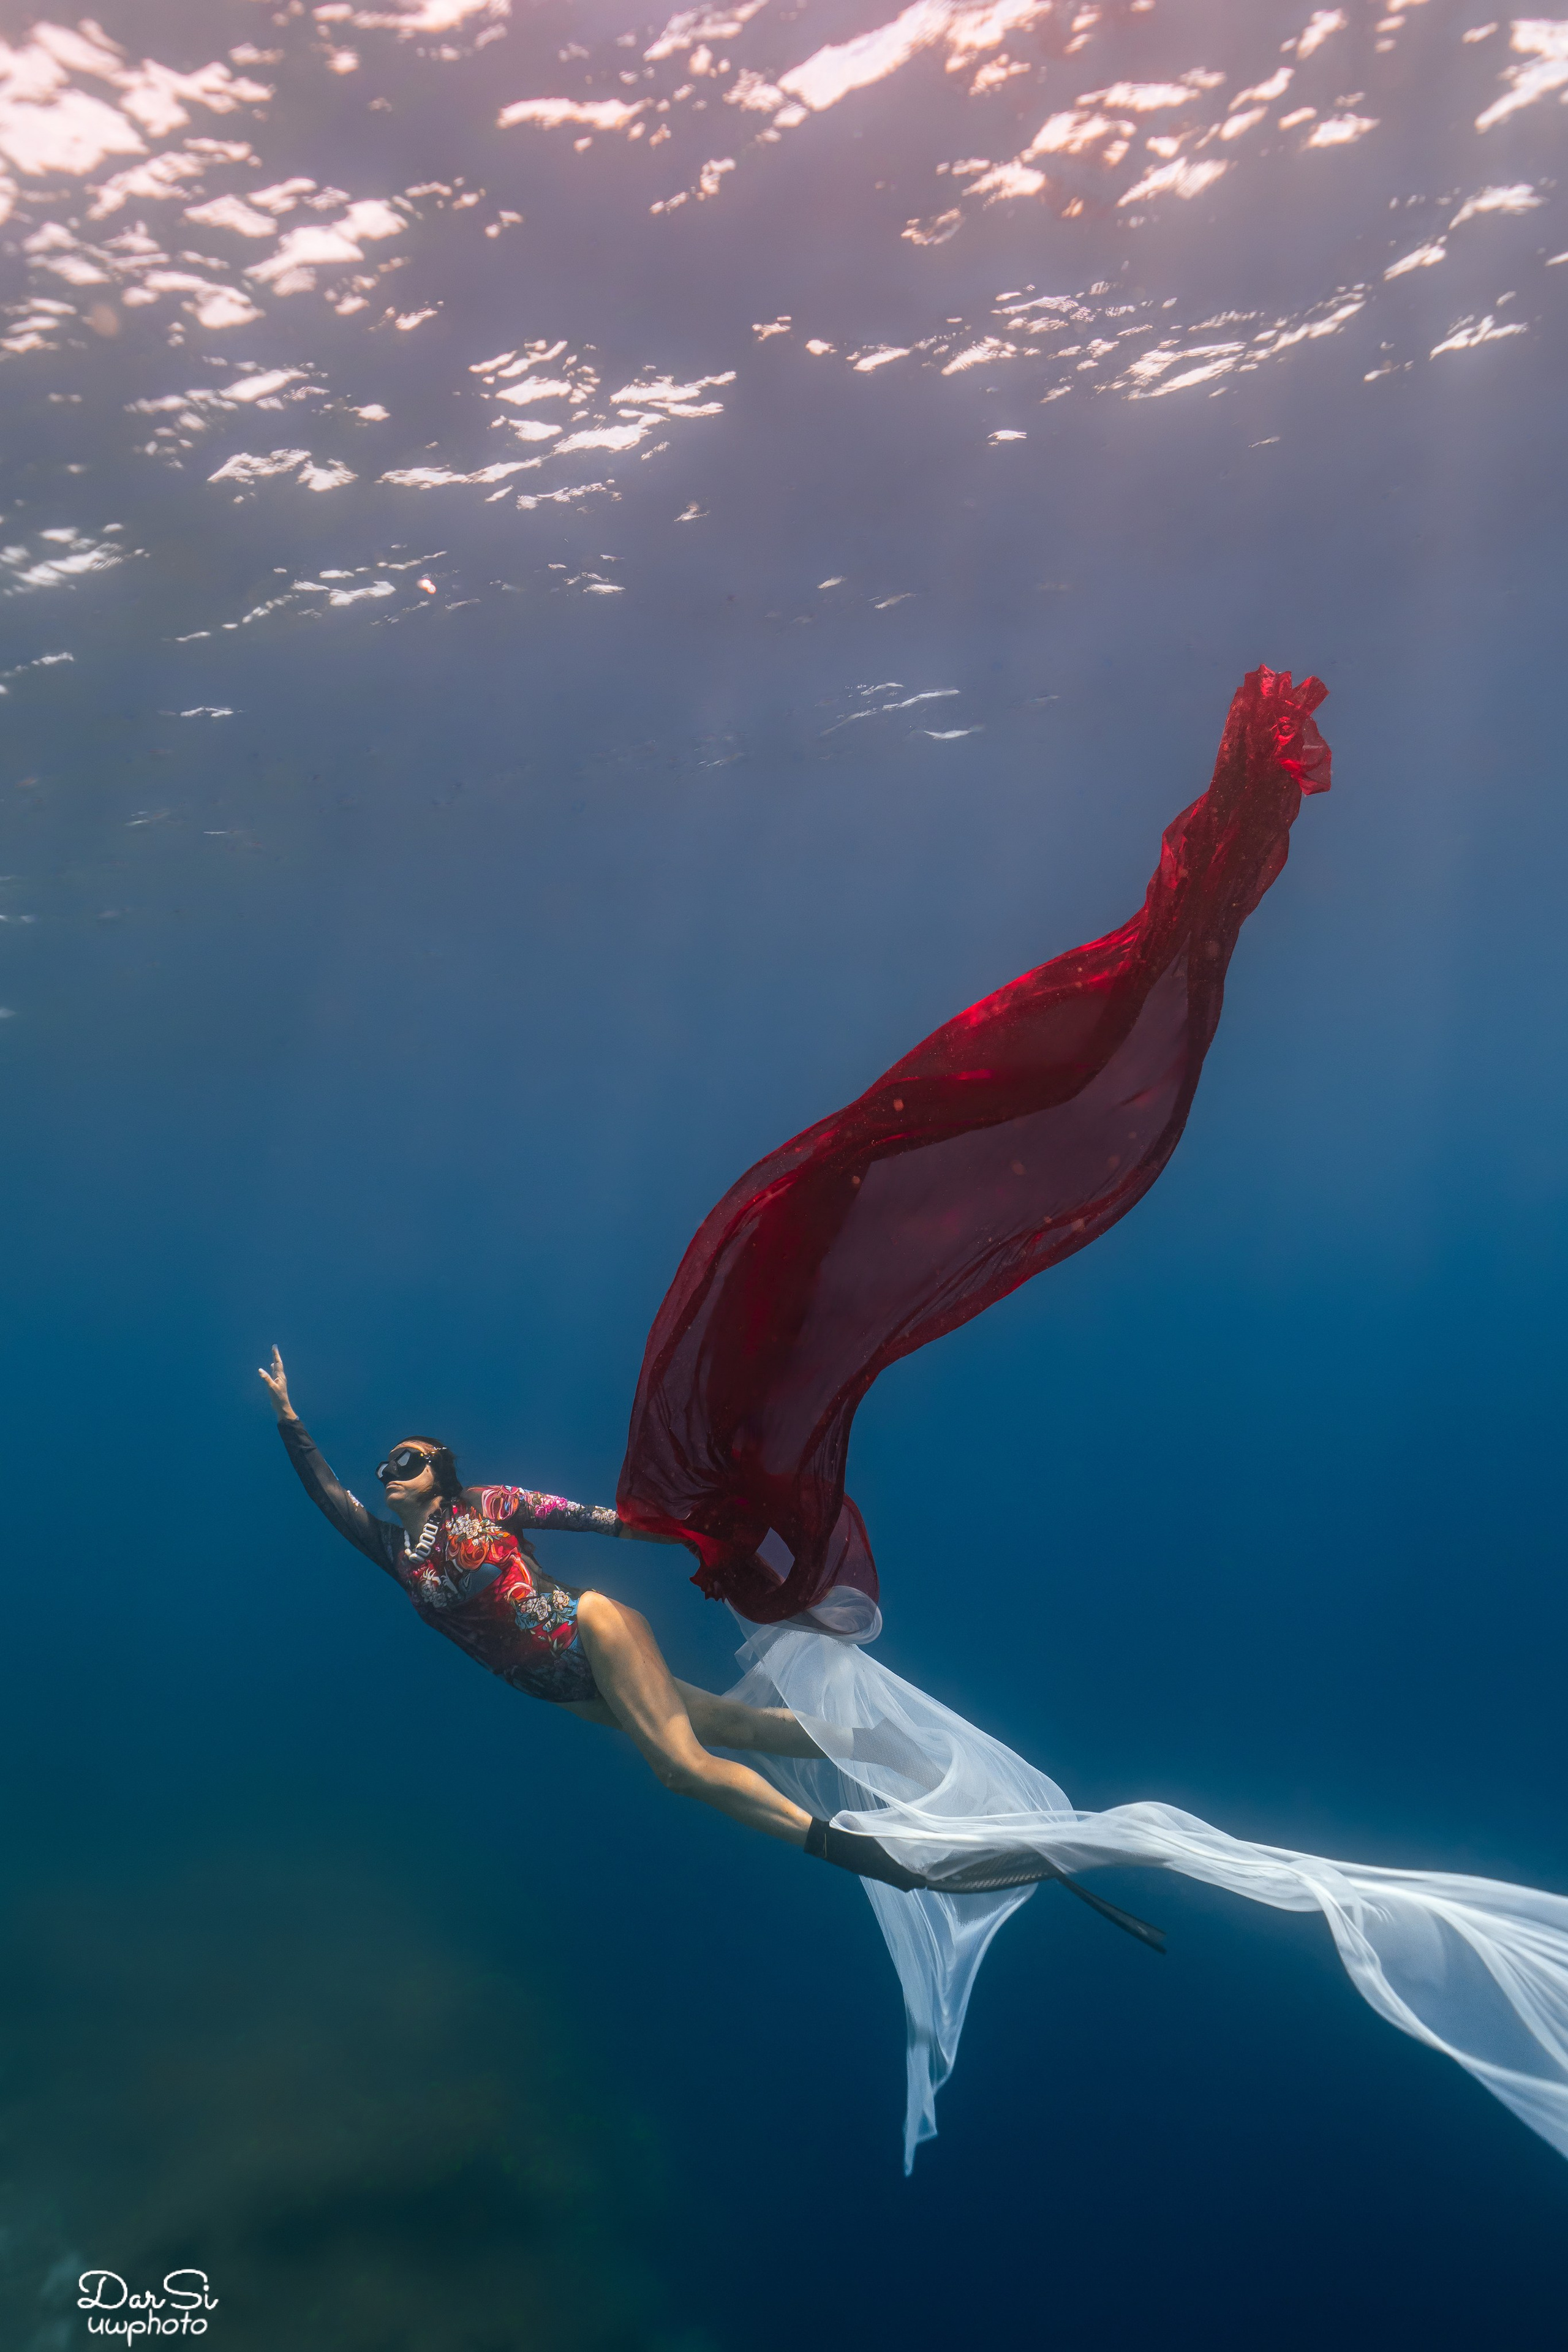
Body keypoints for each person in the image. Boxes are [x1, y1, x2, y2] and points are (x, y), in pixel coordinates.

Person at [261, 1346, 1115, 1909]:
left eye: (405, 1463)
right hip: (557, 1686)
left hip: (588, 1632)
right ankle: (884, 1745)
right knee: (741, 1728)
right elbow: (328, 1498)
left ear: (440, 1472)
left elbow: (602, 1520)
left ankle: (871, 1859)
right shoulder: (396, 1553)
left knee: (680, 1769)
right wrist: (290, 1418)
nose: (388, 1474)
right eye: (384, 1467)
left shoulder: (489, 1505)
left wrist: (700, 1534)